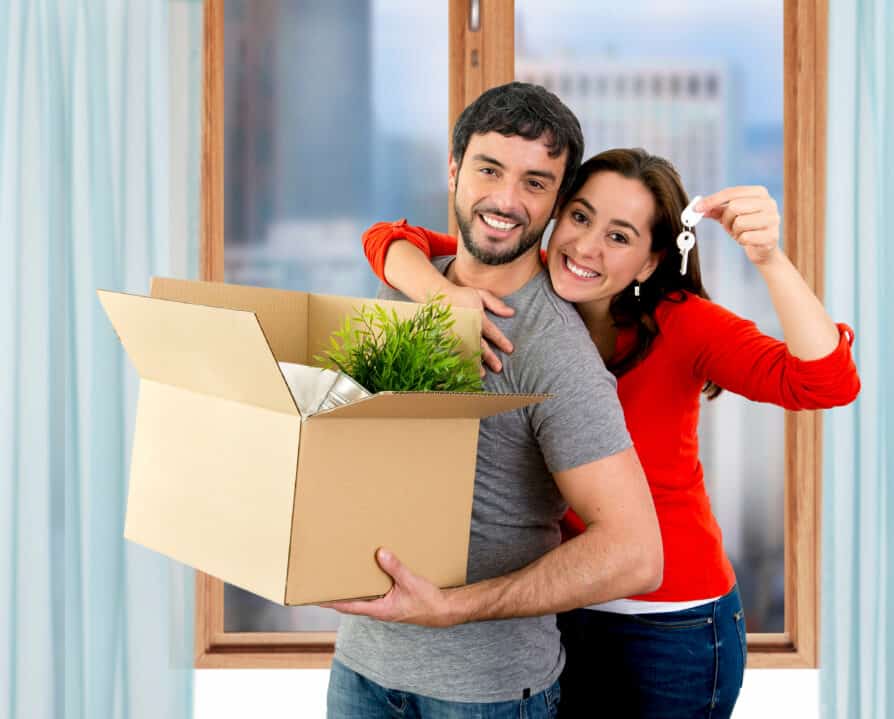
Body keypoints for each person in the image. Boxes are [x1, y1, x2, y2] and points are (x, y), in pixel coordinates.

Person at [362, 148, 861, 717]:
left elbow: (827, 383)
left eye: (620, 237)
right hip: (562, 605)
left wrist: (769, 258)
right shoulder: (537, 282)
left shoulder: (682, 322)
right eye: (579, 217)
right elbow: (389, 239)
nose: (586, 247)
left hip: (670, 626)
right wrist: (444, 296)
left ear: (650, 262)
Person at [321, 83, 664, 718]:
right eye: (489, 169)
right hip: (361, 665)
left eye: (536, 183)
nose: (506, 200)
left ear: (557, 203)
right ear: (453, 170)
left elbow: (636, 554)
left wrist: (452, 607)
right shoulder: (405, 295)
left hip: (486, 693)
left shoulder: (553, 350)